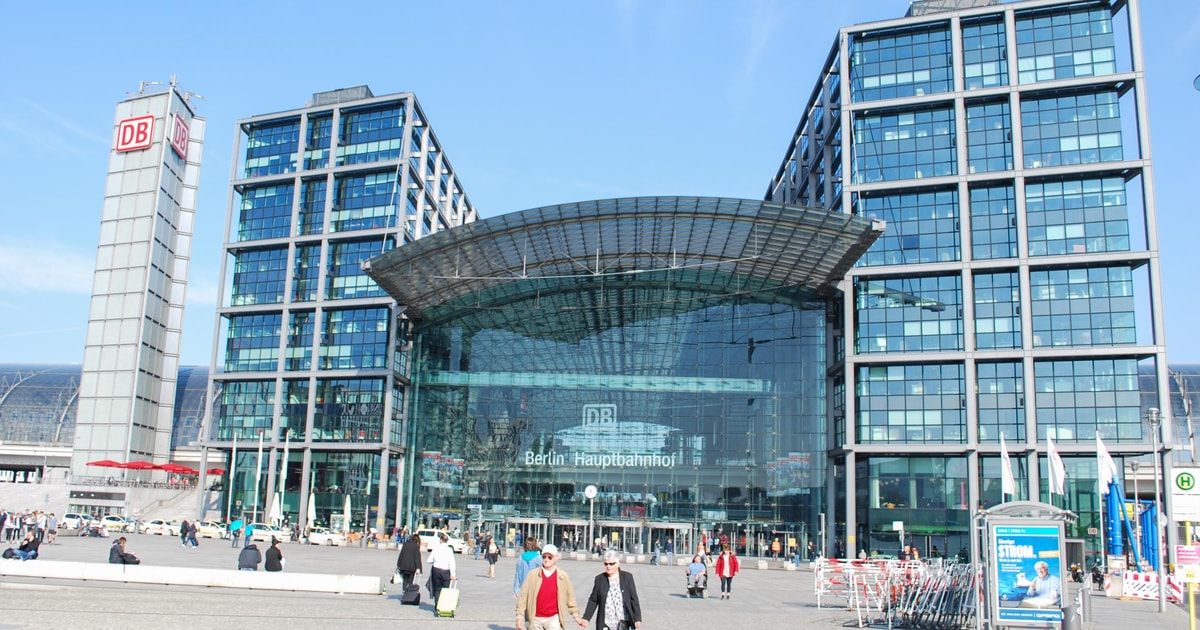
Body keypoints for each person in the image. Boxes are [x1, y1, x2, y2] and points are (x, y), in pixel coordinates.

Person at [516, 543, 585, 630]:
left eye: (550, 557)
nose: (546, 560)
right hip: (535, 618)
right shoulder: (532, 575)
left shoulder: (562, 576)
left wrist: (576, 616)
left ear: (556, 558)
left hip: (553, 619)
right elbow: (523, 597)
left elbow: (570, 597)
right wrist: (519, 617)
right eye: (544, 557)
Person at [582, 550, 643, 630]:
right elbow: (593, 600)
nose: (608, 566)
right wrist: (586, 618)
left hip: (623, 622)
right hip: (606, 623)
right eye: (606, 564)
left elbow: (634, 599)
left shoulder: (627, 577)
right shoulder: (600, 579)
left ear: (618, 564)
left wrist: (637, 618)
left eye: (611, 564)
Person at [427, 531, 457, 605]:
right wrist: (453, 574)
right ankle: (443, 605)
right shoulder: (449, 550)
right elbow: (452, 562)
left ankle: (437, 606)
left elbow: (429, 560)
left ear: (440, 540)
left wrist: (435, 561)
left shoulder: (436, 548)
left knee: (437, 589)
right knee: (445, 589)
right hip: (446, 571)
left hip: (436, 570)